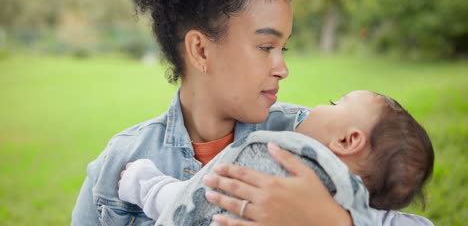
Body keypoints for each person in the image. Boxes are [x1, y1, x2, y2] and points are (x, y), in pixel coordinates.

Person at [71, 0, 435, 225]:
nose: (282, 67)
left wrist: (332, 221)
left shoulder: (307, 142)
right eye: (266, 47)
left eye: (284, 49)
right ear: (200, 50)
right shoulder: (120, 162)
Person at [117, 90, 434, 225]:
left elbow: (199, 200)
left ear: (348, 140)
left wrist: (148, 186)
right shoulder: (363, 209)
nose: (318, 108)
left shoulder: (284, 163)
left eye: (335, 103)